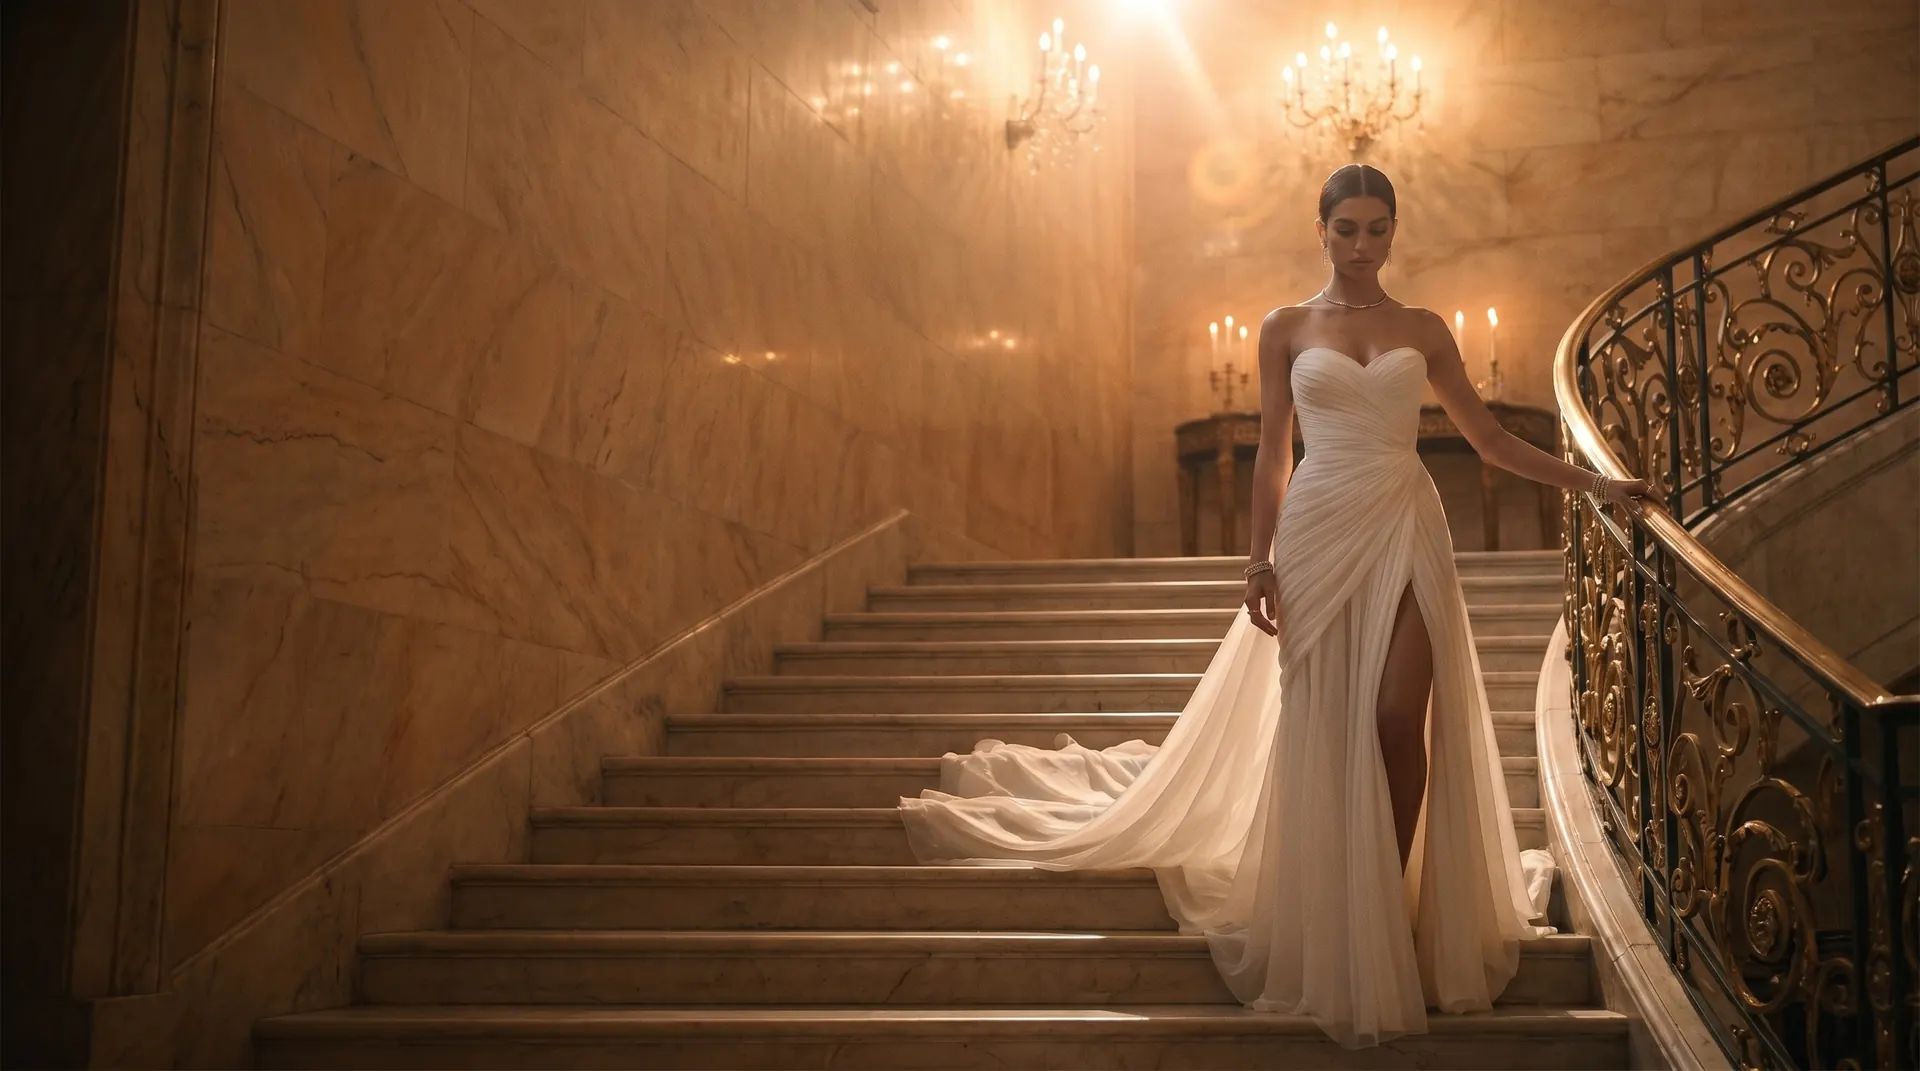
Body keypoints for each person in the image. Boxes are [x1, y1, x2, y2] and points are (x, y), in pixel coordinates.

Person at [896, 163, 1657, 1049]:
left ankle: (1397, 904)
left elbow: (1488, 440)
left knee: (1400, 712)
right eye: (1348, 229)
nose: (1363, 244)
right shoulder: (1286, 327)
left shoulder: (1424, 328)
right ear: (1322, 229)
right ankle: (1346, 908)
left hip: (1408, 523)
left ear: (1394, 231)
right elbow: (1269, 454)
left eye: (1378, 228)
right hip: (1317, 526)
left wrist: (1595, 483)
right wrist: (1257, 558)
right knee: (1328, 722)